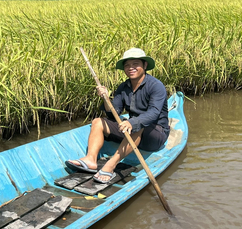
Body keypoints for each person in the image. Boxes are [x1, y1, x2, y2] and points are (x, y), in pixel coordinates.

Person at [66, 48, 170, 184]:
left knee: (136, 125)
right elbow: (113, 112)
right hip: (132, 131)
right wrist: (105, 98)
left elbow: (154, 113)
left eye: (135, 64)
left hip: (155, 134)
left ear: (144, 66)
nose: (130, 68)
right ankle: (91, 159)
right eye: (127, 65)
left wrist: (132, 123)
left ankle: (110, 165)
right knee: (98, 122)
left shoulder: (156, 86)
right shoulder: (123, 87)